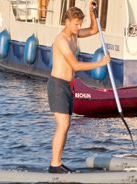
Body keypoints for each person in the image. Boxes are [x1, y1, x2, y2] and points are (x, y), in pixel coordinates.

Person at [47, 1, 110, 173]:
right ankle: (54, 165)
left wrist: (91, 12)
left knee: (65, 126)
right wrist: (100, 63)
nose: (78, 27)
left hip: (68, 85)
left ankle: (57, 163)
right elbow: (74, 65)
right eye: (76, 24)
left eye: (80, 24)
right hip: (57, 85)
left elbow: (94, 30)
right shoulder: (61, 40)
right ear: (67, 21)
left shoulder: (74, 35)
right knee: (63, 125)